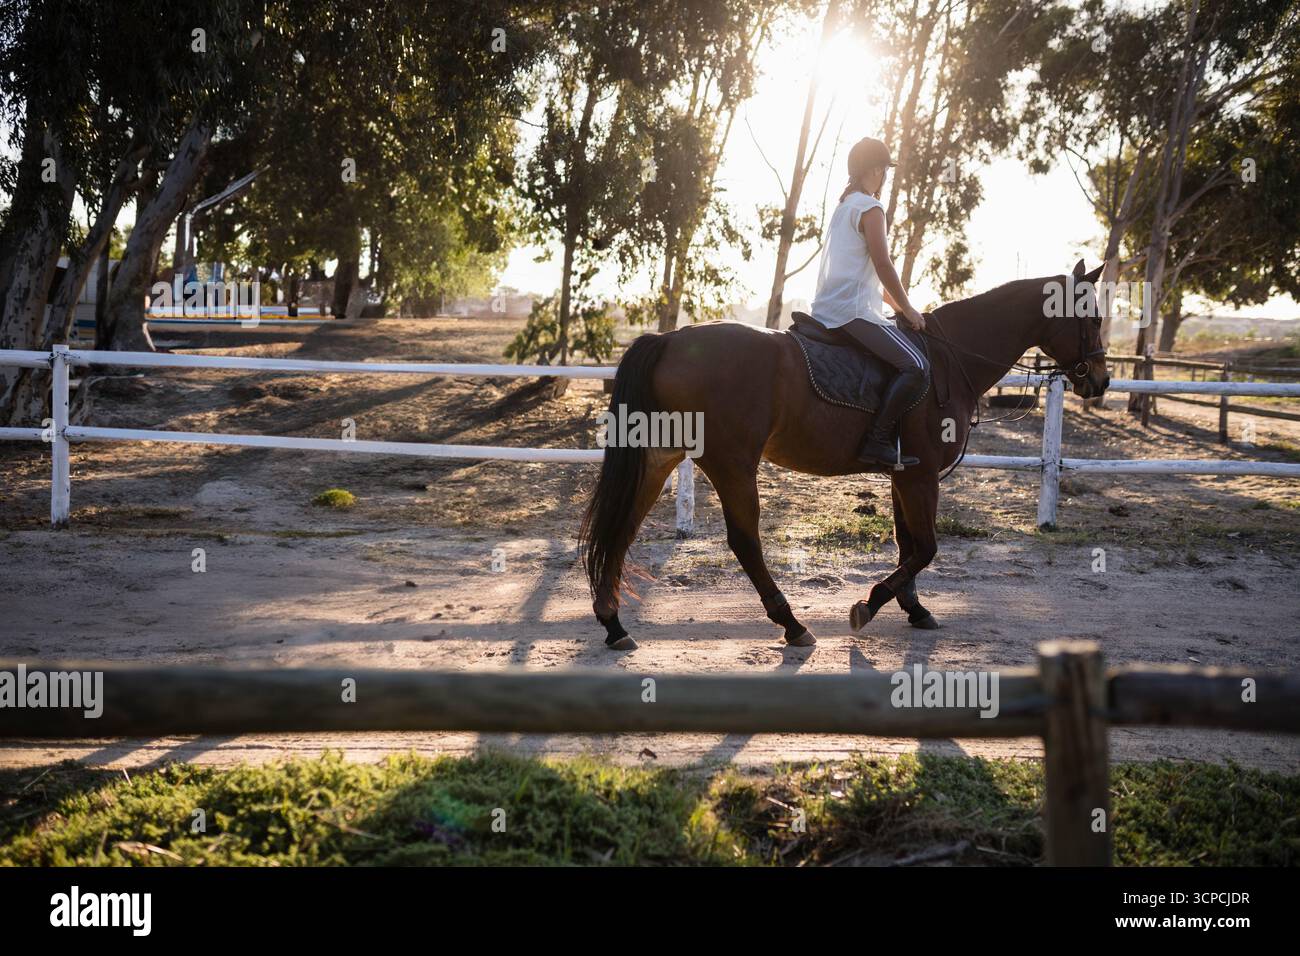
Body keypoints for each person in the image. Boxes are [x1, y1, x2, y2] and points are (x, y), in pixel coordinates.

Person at [810, 136, 929, 468]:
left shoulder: (843, 207)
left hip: (829, 308)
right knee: (916, 366)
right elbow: (883, 265)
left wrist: (895, 305)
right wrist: (908, 309)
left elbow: (870, 278)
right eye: (884, 171)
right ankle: (876, 441)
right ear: (877, 170)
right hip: (853, 312)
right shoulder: (871, 208)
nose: (885, 178)